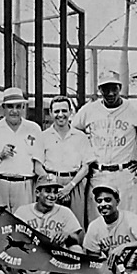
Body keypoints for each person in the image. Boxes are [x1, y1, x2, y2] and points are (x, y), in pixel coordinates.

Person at [72, 70, 137, 221]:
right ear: (99, 90)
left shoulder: (135, 109)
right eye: (105, 88)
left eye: (114, 88)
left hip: (125, 173)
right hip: (98, 173)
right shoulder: (89, 110)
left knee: (130, 220)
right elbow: (74, 133)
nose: (110, 93)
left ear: (120, 88)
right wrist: (83, 161)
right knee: (97, 221)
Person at [14, 174, 84, 274]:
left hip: (58, 258)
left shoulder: (64, 212)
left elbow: (77, 239)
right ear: (37, 192)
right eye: (48, 191)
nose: (52, 195)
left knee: (77, 251)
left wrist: (67, 235)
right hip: (34, 262)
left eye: (55, 191)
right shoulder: (23, 211)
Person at [0, 87, 46, 214]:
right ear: (3, 108)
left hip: (25, 184)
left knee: (24, 225)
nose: (14, 111)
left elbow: (38, 163)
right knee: (0, 225)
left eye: (18, 106)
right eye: (10, 107)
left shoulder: (33, 129)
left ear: (23, 108)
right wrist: (0, 156)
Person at [41, 96, 95, 228]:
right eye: (57, 111)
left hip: (74, 184)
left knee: (75, 225)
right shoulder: (43, 136)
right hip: (51, 184)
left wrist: (70, 186)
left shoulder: (80, 136)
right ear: (50, 113)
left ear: (70, 112)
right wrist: (52, 184)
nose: (61, 115)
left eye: (64, 111)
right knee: (50, 224)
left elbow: (86, 167)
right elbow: (38, 165)